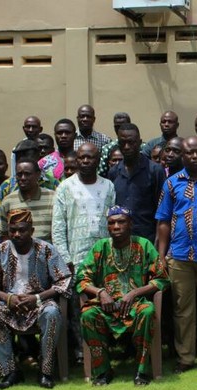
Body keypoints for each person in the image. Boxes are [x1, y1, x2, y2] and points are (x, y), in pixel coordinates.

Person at [77, 206, 170, 385]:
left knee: (148, 311)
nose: (117, 226)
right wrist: (101, 292)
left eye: (121, 222)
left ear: (131, 224)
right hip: (106, 306)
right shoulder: (100, 247)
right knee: (88, 315)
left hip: (135, 305)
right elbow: (81, 279)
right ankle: (103, 371)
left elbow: (162, 278)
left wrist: (135, 293)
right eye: (112, 223)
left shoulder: (143, 245)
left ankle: (141, 370)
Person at [0, 209, 73, 389]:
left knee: (52, 312)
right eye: (12, 230)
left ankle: (45, 370)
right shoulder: (0, 250)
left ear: (31, 231)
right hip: (9, 304)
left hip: (39, 303)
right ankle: (10, 372)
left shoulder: (46, 249)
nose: (16, 234)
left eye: (22, 230)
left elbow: (64, 280)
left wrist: (37, 297)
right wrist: (8, 298)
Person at [156, 136, 197, 373]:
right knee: (182, 309)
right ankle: (185, 356)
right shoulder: (171, 183)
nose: (194, 156)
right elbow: (163, 221)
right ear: (182, 156)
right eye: (188, 153)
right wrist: (162, 256)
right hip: (179, 255)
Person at [52, 142, 116, 363]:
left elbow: (113, 224)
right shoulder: (65, 188)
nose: (86, 161)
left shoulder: (108, 186)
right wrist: (66, 260)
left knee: (103, 304)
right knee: (76, 309)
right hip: (74, 261)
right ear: (76, 160)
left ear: (98, 160)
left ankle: (104, 349)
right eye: (82, 158)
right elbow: (58, 228)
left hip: (103, 259)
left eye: (90, 157)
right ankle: (81, 351)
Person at [108, 123, 166, 243]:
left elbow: (161, 210)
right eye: (123, 143)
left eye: (131, 142)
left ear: (139, 143)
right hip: (120, 242)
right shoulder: (114, 172)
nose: (127, 146)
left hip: (147, 240)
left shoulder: (155, 171)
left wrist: (157, 241)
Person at [0, 159, 55, 243]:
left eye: (27, 174)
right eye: (19, 174)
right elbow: (4, 234)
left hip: (47, 254)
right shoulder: (8, 201)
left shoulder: (52, 198)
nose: (23, 178)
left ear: (38, 175)